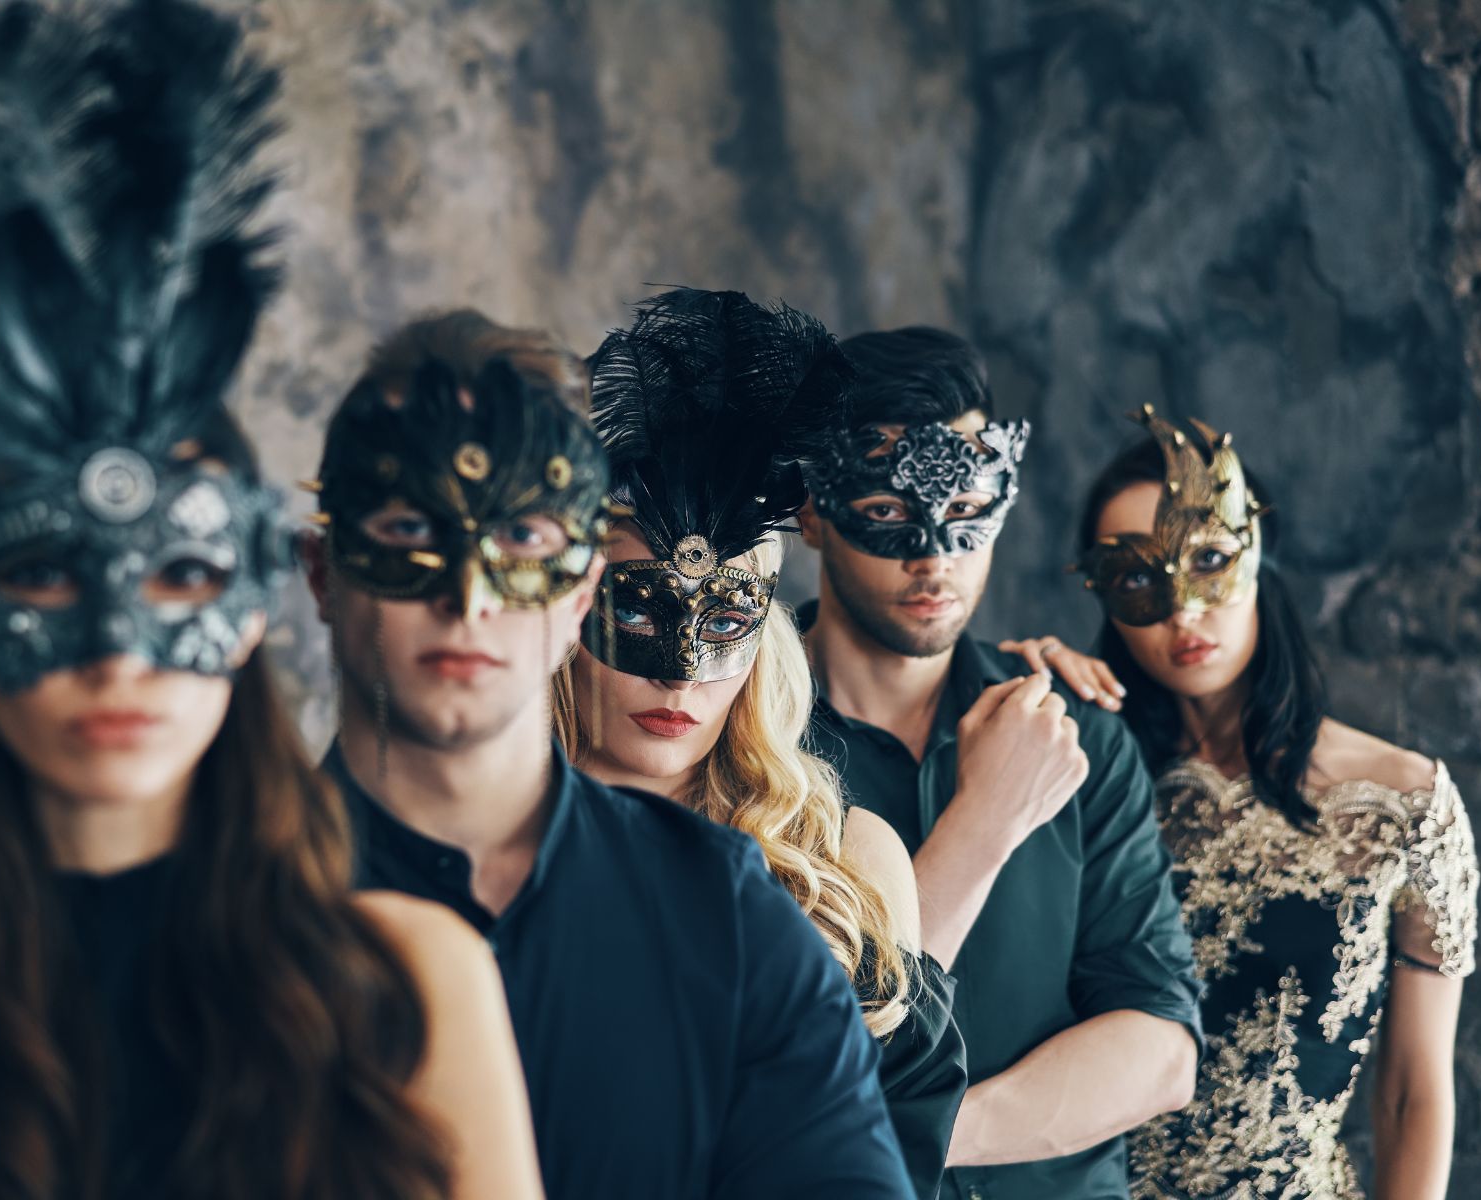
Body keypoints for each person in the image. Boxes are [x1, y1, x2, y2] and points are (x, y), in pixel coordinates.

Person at [0, 6, 541, 1197]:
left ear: (254, 600)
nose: (116, 653)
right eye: (44, 571)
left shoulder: (415, 989)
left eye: (180, 574)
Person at [302, 309, 915, 1199]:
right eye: (410, 534)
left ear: (581, 588)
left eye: (522, 541)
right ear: (322, 571)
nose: (468, 597)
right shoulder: (202, 908)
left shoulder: (734, 917)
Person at [550, 287, 966, 1197]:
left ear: (762, 632)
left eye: (727, 616)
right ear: (568, 613)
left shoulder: (848, 863)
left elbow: (898, 1149)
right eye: (644, 609)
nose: (684, 674)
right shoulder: (481, 846)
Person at [1002, 407, 1478, 1199]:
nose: (1184, 611)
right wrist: (1003, 694)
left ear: (1259, 555)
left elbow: (1411, 1093)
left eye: (1210, 559)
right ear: (1104, 595)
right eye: (1139, 579)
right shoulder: (1074, 773)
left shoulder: (1406, 803)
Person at [797, 326, 1203, 1199]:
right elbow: (794, 1063)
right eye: (888, 514)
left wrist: (906, 1136)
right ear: (813, 512)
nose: (934, 554)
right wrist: (984, 825)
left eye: (969, 509)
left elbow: (1161, 1049)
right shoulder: (742, 748)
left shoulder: (1075, 731)